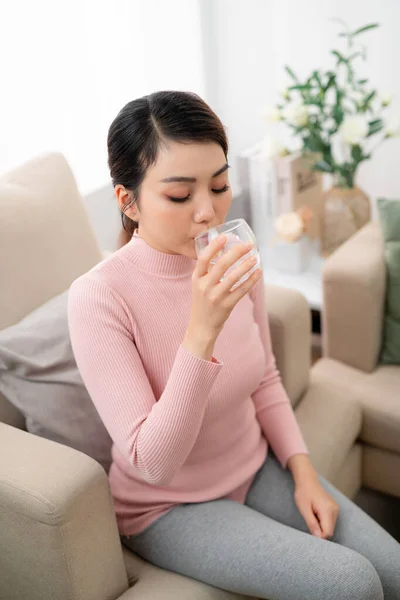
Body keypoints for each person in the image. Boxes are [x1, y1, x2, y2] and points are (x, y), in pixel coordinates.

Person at [67, 91, 400, 600]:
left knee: (393, 570)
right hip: (167, 506)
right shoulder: (99, 298)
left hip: (254, 465)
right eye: (180, 196)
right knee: (353, 585)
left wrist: (303, 472)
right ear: (127, 200)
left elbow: (264, 376)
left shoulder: (233, 252)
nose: (208, 212)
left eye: (220, 186)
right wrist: (203, 329)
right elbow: (153, 463)